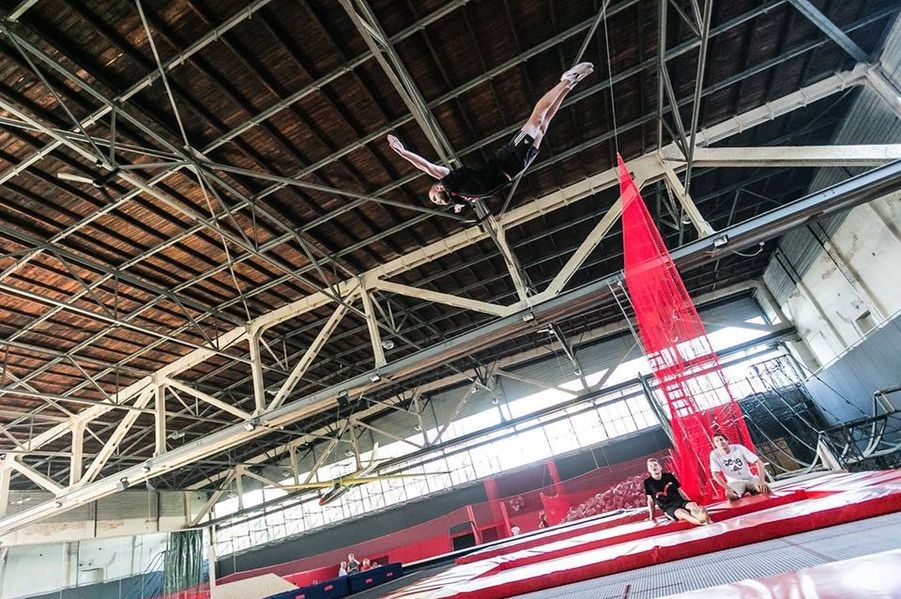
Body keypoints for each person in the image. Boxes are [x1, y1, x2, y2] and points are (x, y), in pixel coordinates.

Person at [387, 62, 594, 212]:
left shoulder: (451, 182)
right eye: (436, 202)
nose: (437, 201)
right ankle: (569, 86)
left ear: (439, 187)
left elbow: (427, 167)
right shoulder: (462, 197)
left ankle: (565, 80)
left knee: (536, 121)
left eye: (434, 197)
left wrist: (404, 153)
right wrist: (460, 205)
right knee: (544, 126)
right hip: (514, 169)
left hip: (505, 161)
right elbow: (470, 199)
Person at [643, 458, 712, 526]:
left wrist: (689, 501)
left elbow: (680, 491)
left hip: (680, 501)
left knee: (692, 505)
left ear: (660, 467)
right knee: (682, 513)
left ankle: (701, 516)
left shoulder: (669, 476)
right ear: (649, 470)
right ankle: (701, 521)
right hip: (668, 507)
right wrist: (651, 517)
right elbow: (650, 501)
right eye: (650, 466)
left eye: (655, 465)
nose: (653, 467)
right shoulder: (647, 482)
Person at [709, 433, 770, 499]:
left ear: (727, 441)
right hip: (734, 482)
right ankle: (745, 493)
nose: (720, 442)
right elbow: (715, 474)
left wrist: (761, 481)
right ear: (715, 445)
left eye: (721, 439)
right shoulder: (714, 454)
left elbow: (759, 462)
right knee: (731, 496)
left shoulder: (738, 448)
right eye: (717, 441)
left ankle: (752, 491)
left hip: (750, 479)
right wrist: (728, 488)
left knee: (765, 488)